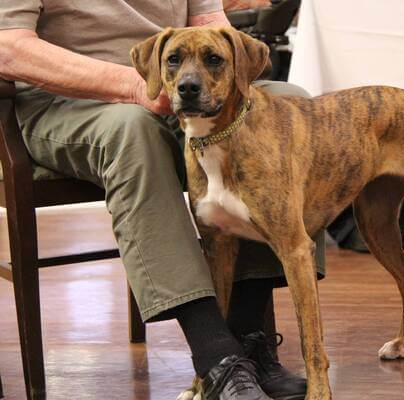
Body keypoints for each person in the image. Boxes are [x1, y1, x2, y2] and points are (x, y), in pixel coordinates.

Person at [0, 1, 323, 399]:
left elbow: (210, 23)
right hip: (63, 103)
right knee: (135, 133)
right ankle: (216, 358)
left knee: (288, 100)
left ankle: (248, 338)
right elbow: (8, 48)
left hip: (179, 87)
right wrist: (138, 85)